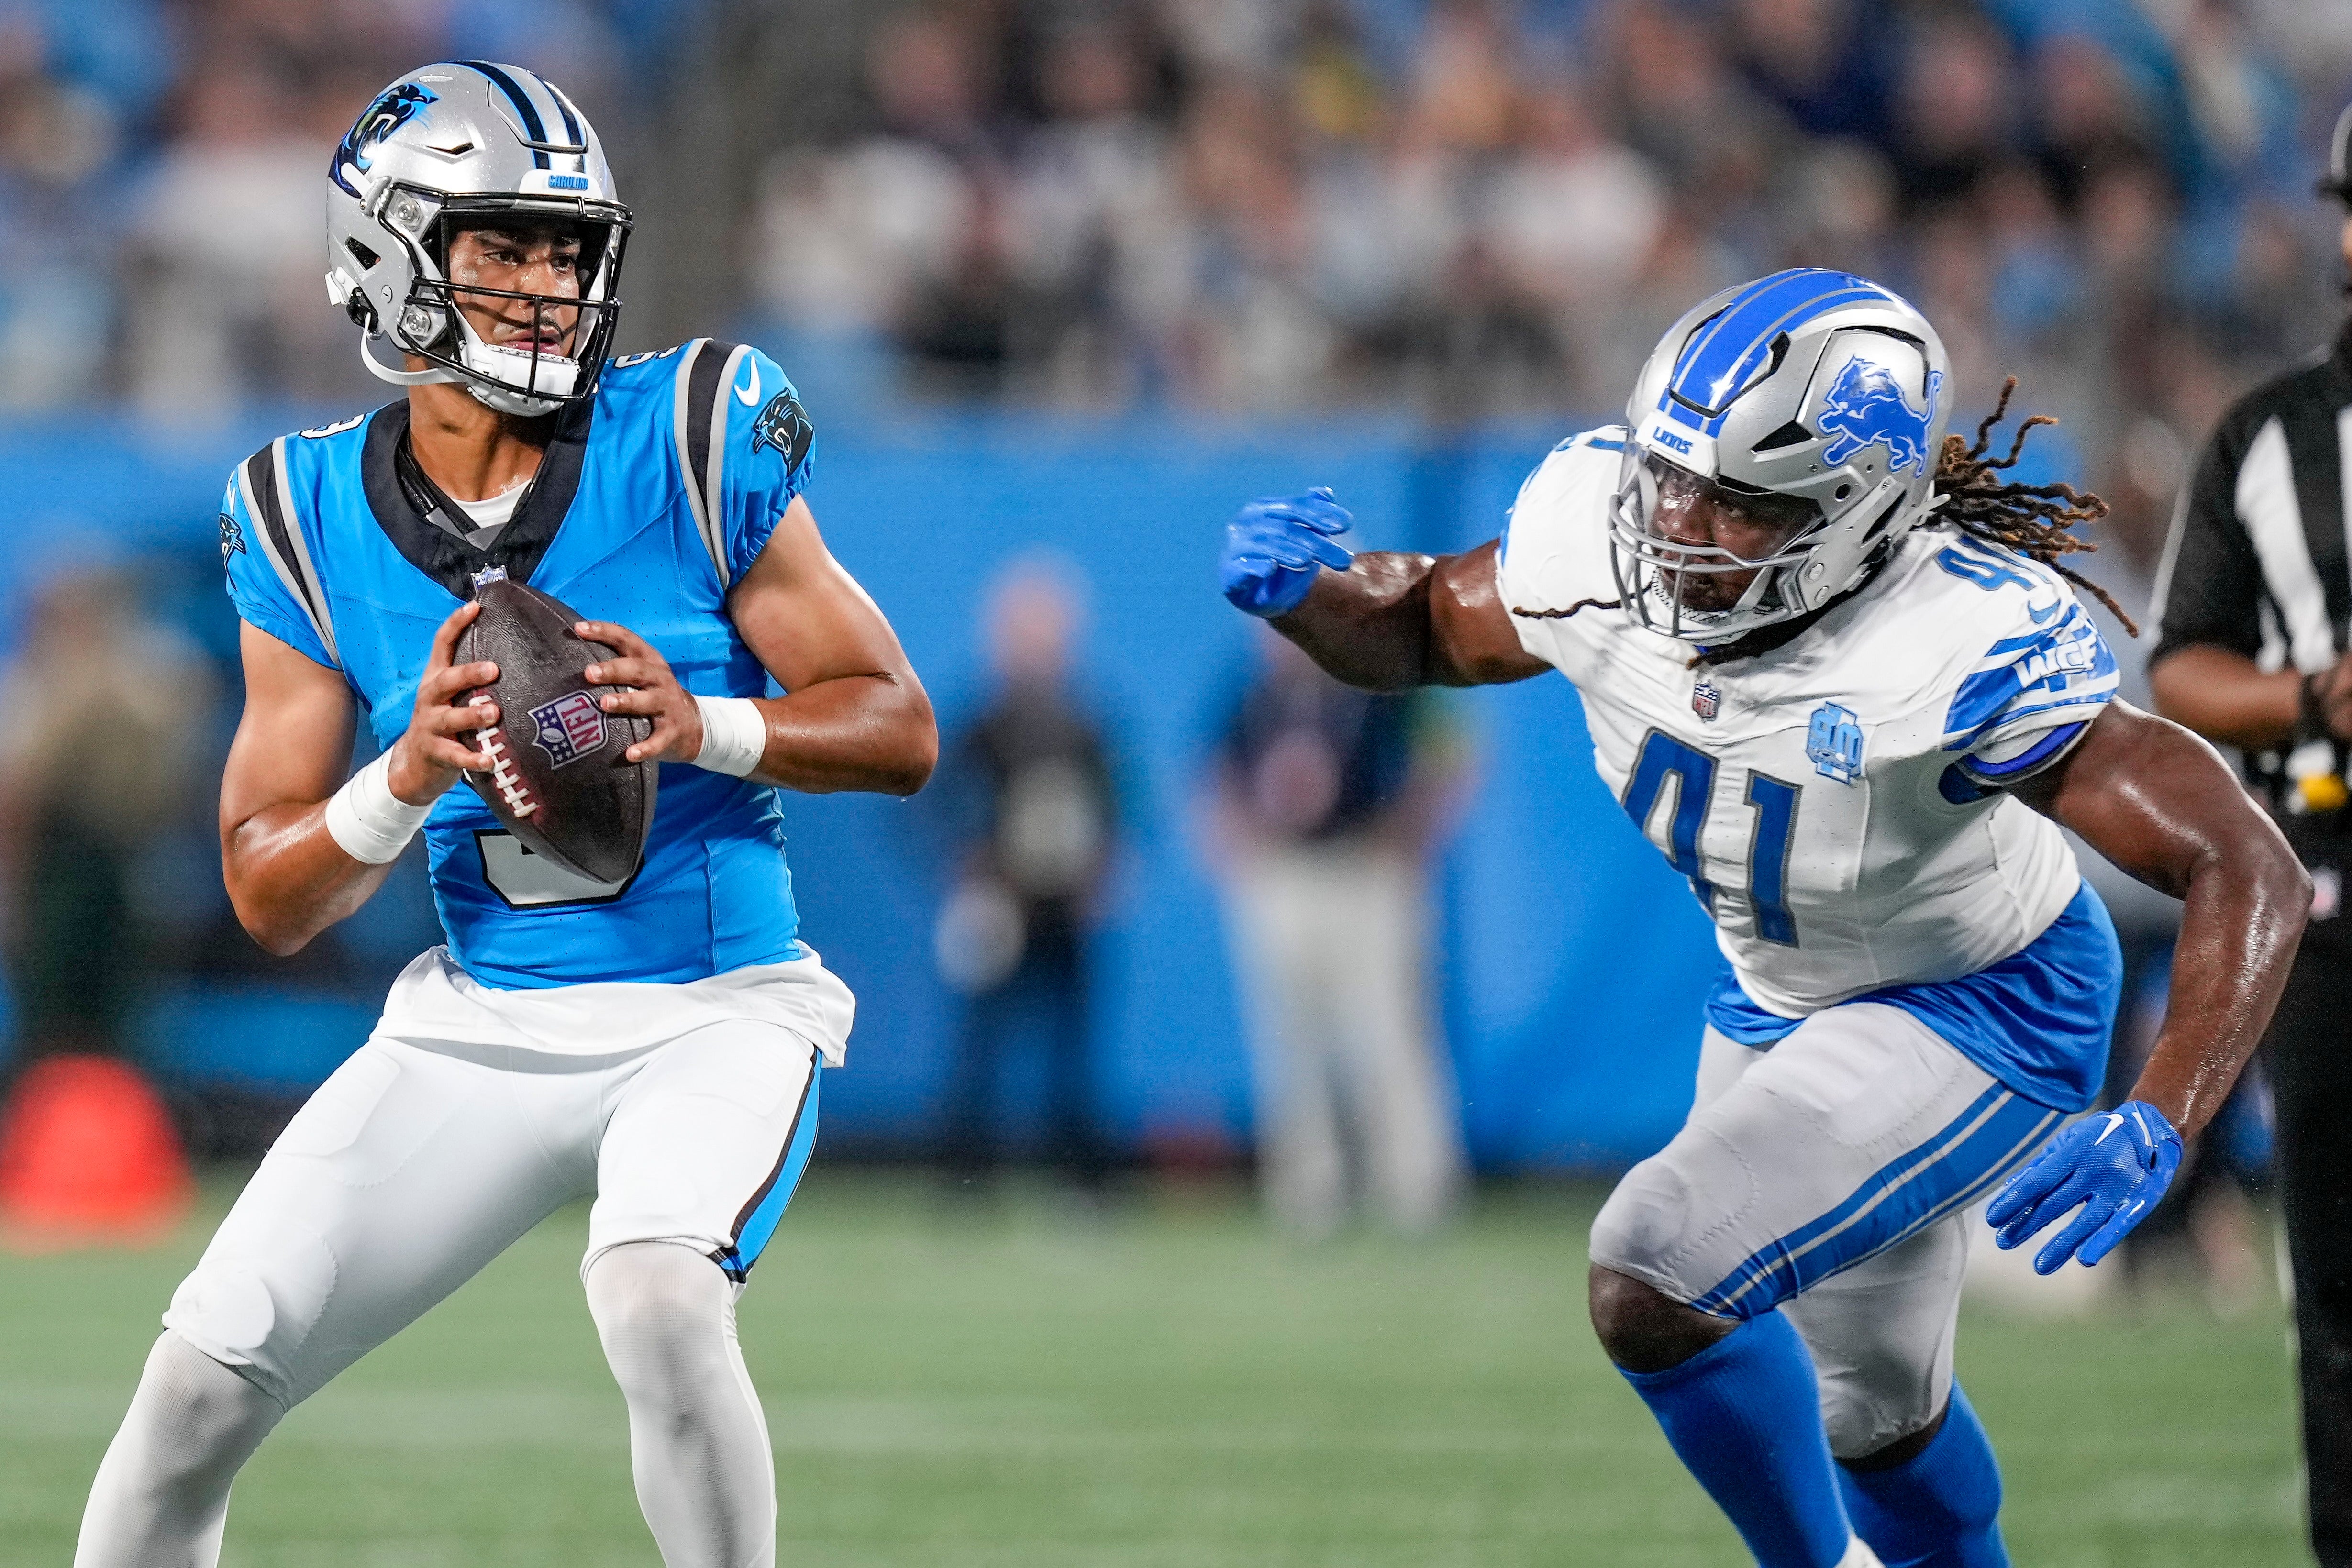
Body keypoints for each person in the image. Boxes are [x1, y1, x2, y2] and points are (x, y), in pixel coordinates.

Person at [1219, 268, 2307, 1568]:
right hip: (1777, 998)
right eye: (1670, 474)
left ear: (1858, 515)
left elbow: (2248, 865)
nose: (1677, 520)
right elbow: (1420, 626)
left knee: (1652, 1265)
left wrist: (2162, 1112)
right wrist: (1310, 597)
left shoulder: (1952, 639)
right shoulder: (1599, 536)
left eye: (1737, 502)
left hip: (1982, 1001)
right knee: (1874, 1421)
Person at [73, 64, 936, 1568]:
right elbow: (270, 892)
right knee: (196, 1384)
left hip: (711, 1008)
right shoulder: (300, 510)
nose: (546, 287)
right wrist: (400, 778)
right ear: (393, 251)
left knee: (660, 1292)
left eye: (565, 250)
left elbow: (899, 723)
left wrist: (712, 721)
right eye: (503, 247)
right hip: (475, 1023)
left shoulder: (690, 430)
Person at [2143, 99, 2352, 1568]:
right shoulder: (2269, 438)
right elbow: (2182, 666)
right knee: (2340, 1272)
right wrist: (2316, 691)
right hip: (2332, 868)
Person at [1207, 627, 1466, 1236]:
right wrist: (1235, 846)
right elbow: (1213, 772)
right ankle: (1308, 1193)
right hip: (1284, 870)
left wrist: (1412, 832)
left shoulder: (1384, 680)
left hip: (1364, 868)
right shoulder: (1252, 694)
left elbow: (1454, 752)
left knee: (1386, 1033)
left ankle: (1413, 1187)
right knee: (1290, 1038)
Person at [934, 561, 1118, 1198]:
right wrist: (967, 863)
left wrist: (1106, 869)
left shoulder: (1087, 724)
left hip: (1064, 909)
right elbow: (932, 804)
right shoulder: (981, 724)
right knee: (980, 1047)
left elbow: (1120, 807)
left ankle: (1078, 1180)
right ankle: (967, 1178)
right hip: (1000, 906)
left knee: (1072, 1050)